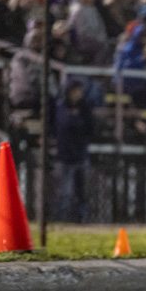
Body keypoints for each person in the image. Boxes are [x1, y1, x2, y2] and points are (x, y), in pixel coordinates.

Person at [54, 77, 95, 222]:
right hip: (64, 155)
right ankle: (61, 219)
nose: (78, 94)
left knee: (81, 191)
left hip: (80, 155)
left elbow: (89, 128)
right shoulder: (60, 107)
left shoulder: (84, 108)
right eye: (75, 91)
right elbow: (61, 125)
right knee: (63, 192)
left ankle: (81, 219)